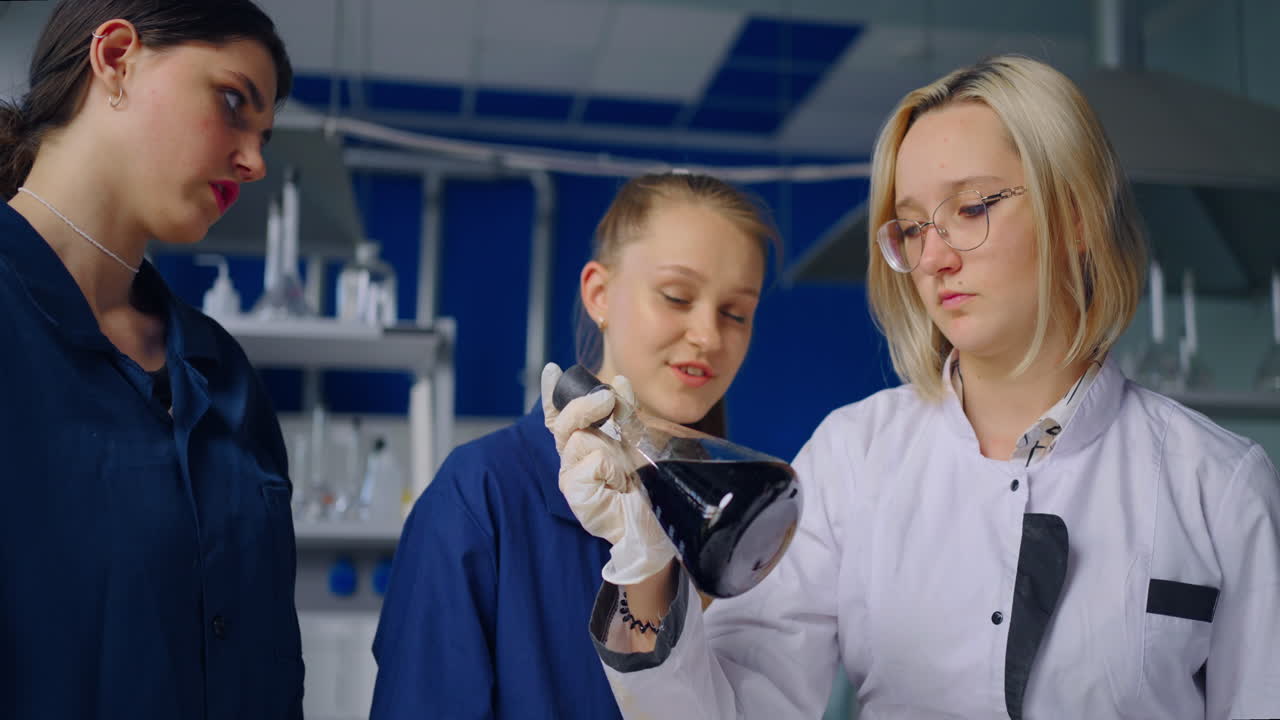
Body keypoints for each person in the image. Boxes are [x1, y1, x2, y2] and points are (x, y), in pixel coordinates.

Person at [545, 55, 1280, 719]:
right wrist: (644, 564)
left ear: (1076, 216)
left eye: (969, 210)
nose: (935, 257)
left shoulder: (1218, 487)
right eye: (912, 227)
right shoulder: (853, 458)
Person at [370, 172, 779, 719]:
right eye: (677, 297)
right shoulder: (482, 495)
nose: (708, 334)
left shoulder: (740, 523)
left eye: (736, 313)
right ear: (599, 294)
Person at [0, 2, 302, 718]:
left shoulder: (220, 371)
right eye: (233, 103)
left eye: (263, 135)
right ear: (115, 60)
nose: (255, 162)